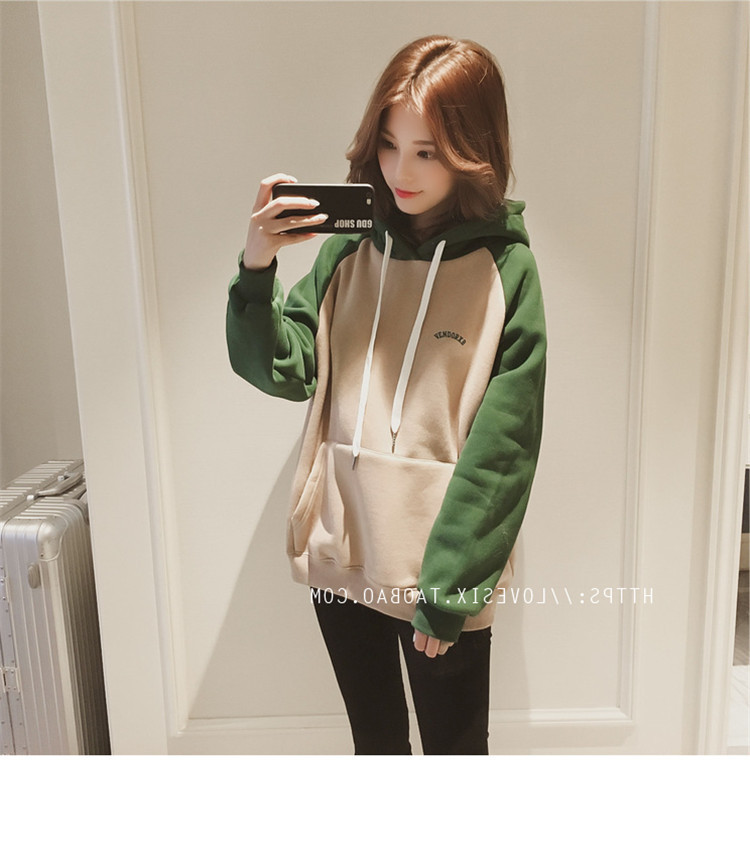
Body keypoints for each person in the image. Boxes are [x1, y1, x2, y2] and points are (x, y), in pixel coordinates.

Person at [226, 35, 546, 754]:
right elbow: (284, 369)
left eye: (427, 151)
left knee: (455, 758)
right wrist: (257, 267)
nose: (400, 171)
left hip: (440, 575)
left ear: (472, 150)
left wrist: (450, 590)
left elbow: (505, 449)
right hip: (341, 559)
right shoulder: (348, 249)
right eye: (389, 144)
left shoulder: (506, 270)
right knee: (376, 748)